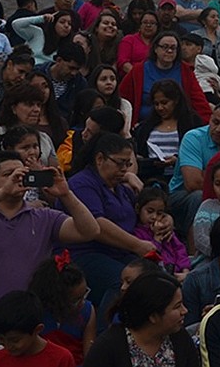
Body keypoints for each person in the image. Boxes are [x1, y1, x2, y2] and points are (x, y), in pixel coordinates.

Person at [0, 154, 99, 367]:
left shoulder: (44, 217)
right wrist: (2, 193)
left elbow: (90, 231)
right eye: (8, 175)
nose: (17, 179)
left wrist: (66, 194)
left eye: (22, 174)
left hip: (28, 312)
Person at [67, 133, 150, 311]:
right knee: (122, 283)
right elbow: (98, 225)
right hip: (86, 254)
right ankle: (105, 334)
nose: (124, 169)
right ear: (100, 159)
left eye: (128, 164)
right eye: (120, 163)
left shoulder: (122, 188)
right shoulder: (82, 184)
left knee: (153, 277)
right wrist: (137, 245)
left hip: (119, 253)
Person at [85, 272, 198, 366]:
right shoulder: (107, 348)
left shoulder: (180, 339)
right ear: (153, 316)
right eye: (177, 306)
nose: (184, 311)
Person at [167, 102, 220, 241]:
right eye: (215, 122)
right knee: (199, 197)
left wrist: (206, 174)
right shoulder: (193, 138)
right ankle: (193, 249)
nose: (218, 129)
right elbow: (193, 183)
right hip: (181, 197)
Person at [119, 32, 211, 127]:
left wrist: (206, 126)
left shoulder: (186, 71)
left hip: (179, 127)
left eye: (173, 48)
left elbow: (199, 102)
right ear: (155, 49)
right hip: (142, 126)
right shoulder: (138, 70)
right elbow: (123, 100)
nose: (169, 51)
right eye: (165, 47)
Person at [27, 252, 95, 364]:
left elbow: (90, 357)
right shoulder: (36, 312)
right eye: (75, 300)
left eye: (85, 294)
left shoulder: (87, 311)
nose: (81, 303)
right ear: (55, 299)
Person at [0, 289, 75, 367]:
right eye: (1, 339)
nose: (8, 346)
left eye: (15, 340)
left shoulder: (61, 359)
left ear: (37, 330)